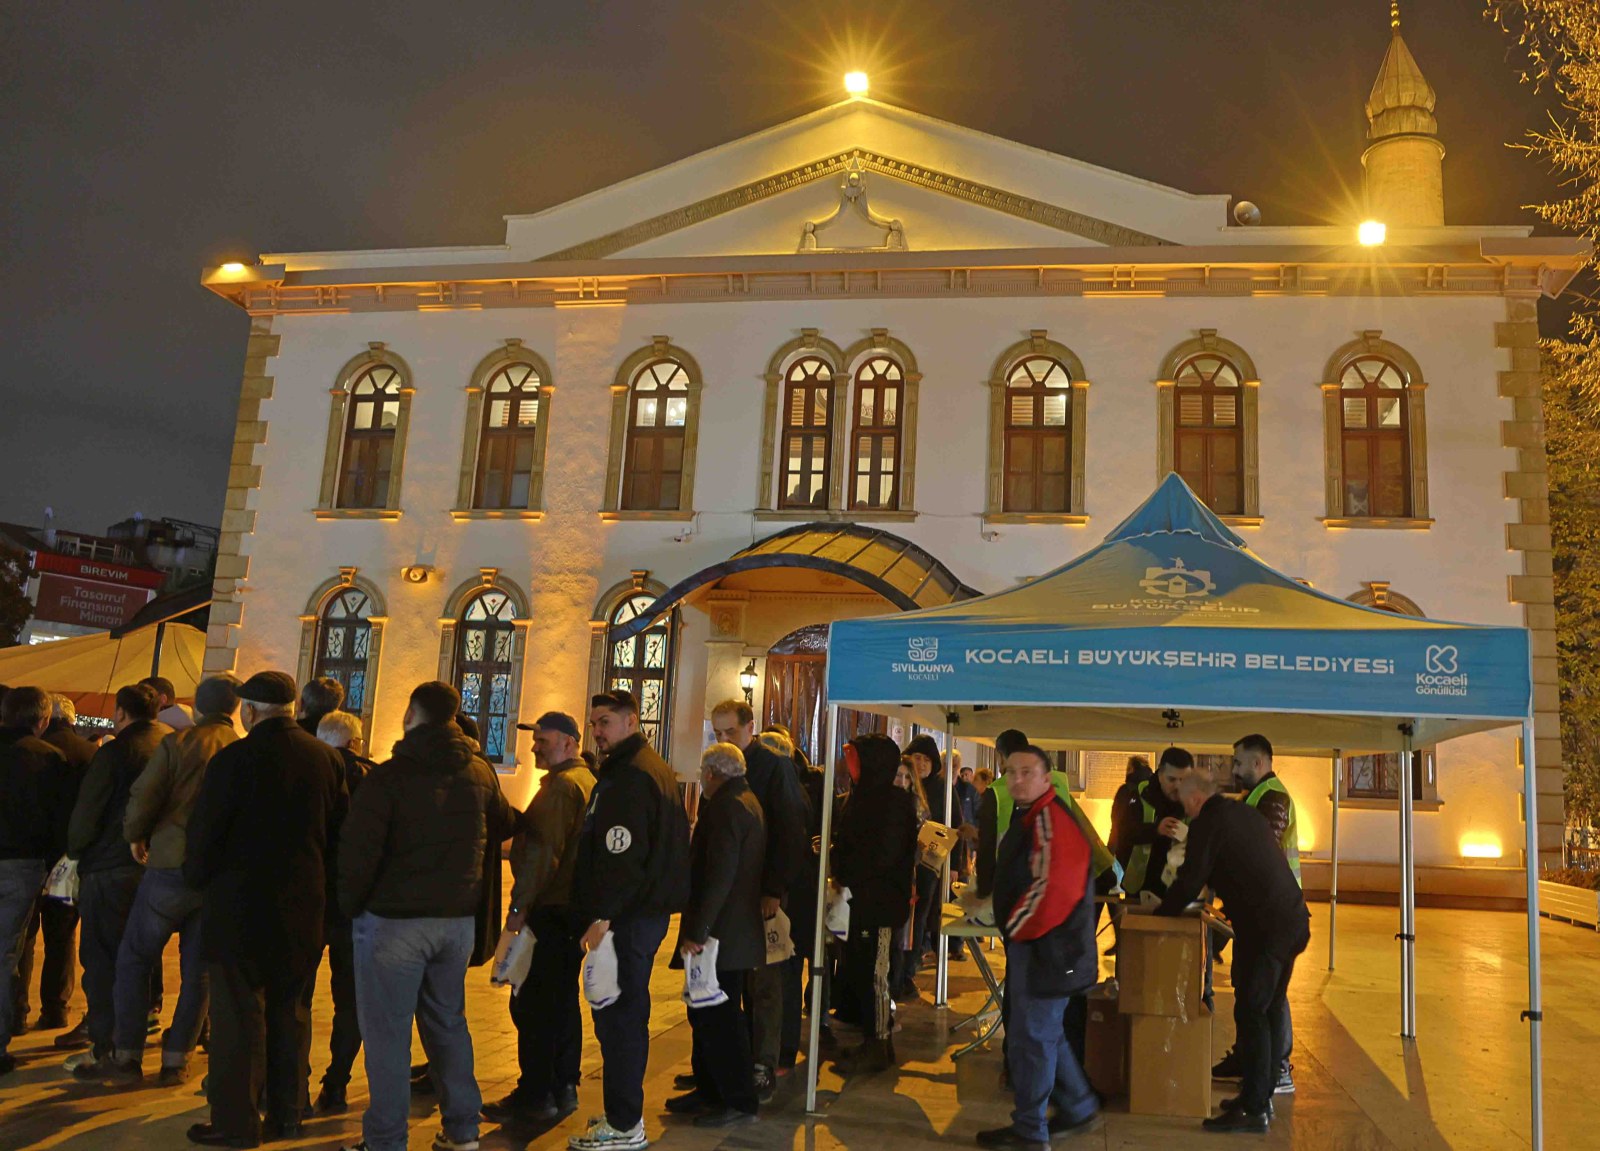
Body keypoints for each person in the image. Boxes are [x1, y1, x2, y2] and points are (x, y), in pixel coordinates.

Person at [335, 681, 516, 1151]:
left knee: (387, 1035)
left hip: (394, 922)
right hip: (455, 920)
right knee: (448, 1023)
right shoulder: (478, 773)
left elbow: (358, 853)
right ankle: (463, 1130)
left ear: (411, 714)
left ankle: (386, 1139)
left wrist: (350, 906)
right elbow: (505, 822)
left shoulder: (390, 776)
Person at [184, 671, 347, 1147]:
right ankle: (288, 1114)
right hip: (302, 908)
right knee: (290, 1013)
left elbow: (205, 835)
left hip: (238, 908)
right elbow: (339, 836)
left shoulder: (233, 760)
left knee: (238, 1018)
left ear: (251, 711)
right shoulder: (326, 759)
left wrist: (196, 878)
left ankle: (236, 1122)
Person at [74, 675, 242, 1086]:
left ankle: (127, 1056)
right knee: (198, 970)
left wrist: (135, 836)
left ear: (197, 707)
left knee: (135, 958)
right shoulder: (242, 750)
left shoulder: (179, 744)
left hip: (169, 865)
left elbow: (144, 796)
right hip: (219, 875)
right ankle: (176, 1059)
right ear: (237, 709)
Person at [568, 690, 690, 1151]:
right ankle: (623, 1113)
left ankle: (624, 1124)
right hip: (640, 914)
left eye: (604, 722)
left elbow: (621, 855)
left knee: (619, 1018)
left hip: (627, 918)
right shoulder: (643, 768)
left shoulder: (632, 776)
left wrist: (603, 916)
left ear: (631, 721)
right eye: (593, 723)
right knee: (622, 1015)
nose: (596, 732)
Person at [1157, 770, 1310, 1133]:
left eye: (1183, 801)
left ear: (1195, 798)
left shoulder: (1209, 822)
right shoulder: (1241, 813)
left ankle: (1254, 1109)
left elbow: (1191, 879)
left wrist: (1161, 913)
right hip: (1290, 921)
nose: (1183, 809)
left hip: (1267, 929)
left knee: (1252, 1010)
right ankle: (1260, 1096)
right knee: (1267, 1007)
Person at [977, 744, 1100, 1150]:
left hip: (1046, 950)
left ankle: (1031, 1132)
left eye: (1026, 772)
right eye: (1010, 771)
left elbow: (1052, 891)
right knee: (1046, 1034)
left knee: (1032, 1040)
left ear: (1047, 778)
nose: (1016, 779)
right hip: (1048, 949)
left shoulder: (1049, 820)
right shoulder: (1033, 816)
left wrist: (1014, 927)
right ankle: (1078, 1105)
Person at [484, 711, 596, 1126]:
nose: (534, 748)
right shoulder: (584, 781)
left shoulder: (563, 787)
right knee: (561, 1002)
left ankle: (535, 1094)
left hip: (551, 909)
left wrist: (518, 908)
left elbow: (542, 854)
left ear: (569, 743)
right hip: (571, 910)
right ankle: (563, 1085)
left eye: (542, 741)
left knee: (533, 1006)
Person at [709, 699, 809, 1100]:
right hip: (731, 895)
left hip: (764, 892)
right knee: (733, 979)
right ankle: (729, 1061)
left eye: (730, 732)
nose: (723, 739)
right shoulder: (721, 767)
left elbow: (790, 830)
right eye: (717, 733)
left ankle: (764, 1062)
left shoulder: (773, 767)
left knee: (766, 981)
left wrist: (774, 889)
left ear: (750, 728)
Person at [66, 683, 168, 1072]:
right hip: (156, 866)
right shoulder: (169, 744)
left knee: (103, 958)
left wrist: (75, 850)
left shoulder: (116, 752)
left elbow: (88, 813)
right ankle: (131, 1041)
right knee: (139, 957)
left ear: (121, 713)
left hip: (110, 866)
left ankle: (105, 1044)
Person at [665, 742, 765, 1129]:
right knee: (706, 1012)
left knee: (719, 1019)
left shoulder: (727, 807)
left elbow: (719, 876)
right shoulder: (745, 800)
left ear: (710, 774)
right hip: (733, 931)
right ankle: (709, 1088)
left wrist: (698, 930)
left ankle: (736, 1098)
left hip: (722, 935)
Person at [1212, 733, 1301, 1095]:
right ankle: (1247, 1056)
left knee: (1269, 996)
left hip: (1275, 914)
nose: (1234, 769)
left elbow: (1257, 850)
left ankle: (1278, 1068)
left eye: (1238, 762)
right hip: (1257, 911)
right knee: (1247, 988)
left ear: (1259, 763)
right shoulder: (1255, 796)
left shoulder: (1273, 798)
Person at [828, 733, 919, 1074]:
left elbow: (881, 855)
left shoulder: (892, 803)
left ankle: (878, 1042)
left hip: (879, 903)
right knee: (863, 972)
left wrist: (846, 869)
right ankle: (874, 1039)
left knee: (875, 975)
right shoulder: (865, 796)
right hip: (861, 901)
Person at [0, 686, 74, 1077]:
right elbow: (59, 822)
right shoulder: (48, 759)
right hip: (23, 864)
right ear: (43, 720)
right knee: (5, 954)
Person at [308, 709, 374, 1114]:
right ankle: (336, 1083)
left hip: (310, 900)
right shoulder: (374, 778)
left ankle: (288, 1082)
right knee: (350, 1001)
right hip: (356, 907)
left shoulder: (308, 773)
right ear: (355, 742)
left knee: (294, 995)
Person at [13, 694, 91, 1038]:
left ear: (46, 719)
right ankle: (56, 1009)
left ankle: (17, 1011)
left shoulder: (33, 752)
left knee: (24, 937)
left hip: (31, 855)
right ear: (71, 720)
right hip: (69, 859)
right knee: (62, 937)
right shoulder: (89, 754)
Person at [1121, 749, 1193, 899]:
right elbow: (1124, 833)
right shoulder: (1141, 793)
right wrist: (1156, 830)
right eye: (1172, 779)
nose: (1178, 786)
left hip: (1180, 888)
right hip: (1141, 885)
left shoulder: (1197, 801)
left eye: (1184, 780)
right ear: (1160, 775)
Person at [1108, 755, 1154, 871]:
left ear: (1131, 769)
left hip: (1127, 847)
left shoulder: (1125, 790)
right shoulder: (1154, 789)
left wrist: (1110, 850)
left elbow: (1117, 821)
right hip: (1151, 847)